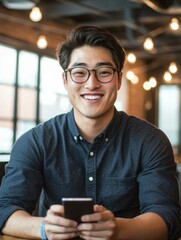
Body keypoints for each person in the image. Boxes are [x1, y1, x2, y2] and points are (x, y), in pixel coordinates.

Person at [0, 25, 180, 240]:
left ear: (119, 79)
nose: (91, 84)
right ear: (65, 80)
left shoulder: (150, 141)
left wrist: (117, 229)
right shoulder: (35, 141)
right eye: (79, 73)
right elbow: (5, 209)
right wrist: (43, 228)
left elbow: (167, 216)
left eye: (104, 72)